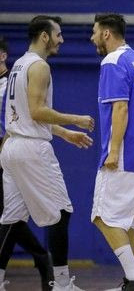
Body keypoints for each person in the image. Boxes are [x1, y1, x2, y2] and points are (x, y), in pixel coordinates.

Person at [0, 16, 95, 291]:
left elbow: (23, 116)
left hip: (12, 146)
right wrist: (74, 119)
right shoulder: (39, 66)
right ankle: (62, 284)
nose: (61, 40)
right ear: (44, 36)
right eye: (58, 34)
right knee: (61, 212)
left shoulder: (18, 64)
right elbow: (38, 111)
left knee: (12, 218)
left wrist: (65, 134)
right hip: (31, 148)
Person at [90, 13, 134, 291]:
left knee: (103, 217)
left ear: (107, 33)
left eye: (95, 32)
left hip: (125, 154)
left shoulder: (113, 61)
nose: (92, 37)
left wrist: (113, 151)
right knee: (133, 225)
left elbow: (120, 108)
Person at [0, 36, 54, 291]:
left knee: (10, 217)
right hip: (12, 153)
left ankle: (45, 260)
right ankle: (42, 258)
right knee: (11, 218)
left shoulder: (10, 82)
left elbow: (18, 122)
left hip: (9, 154)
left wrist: (68, 128)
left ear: (2, 56)